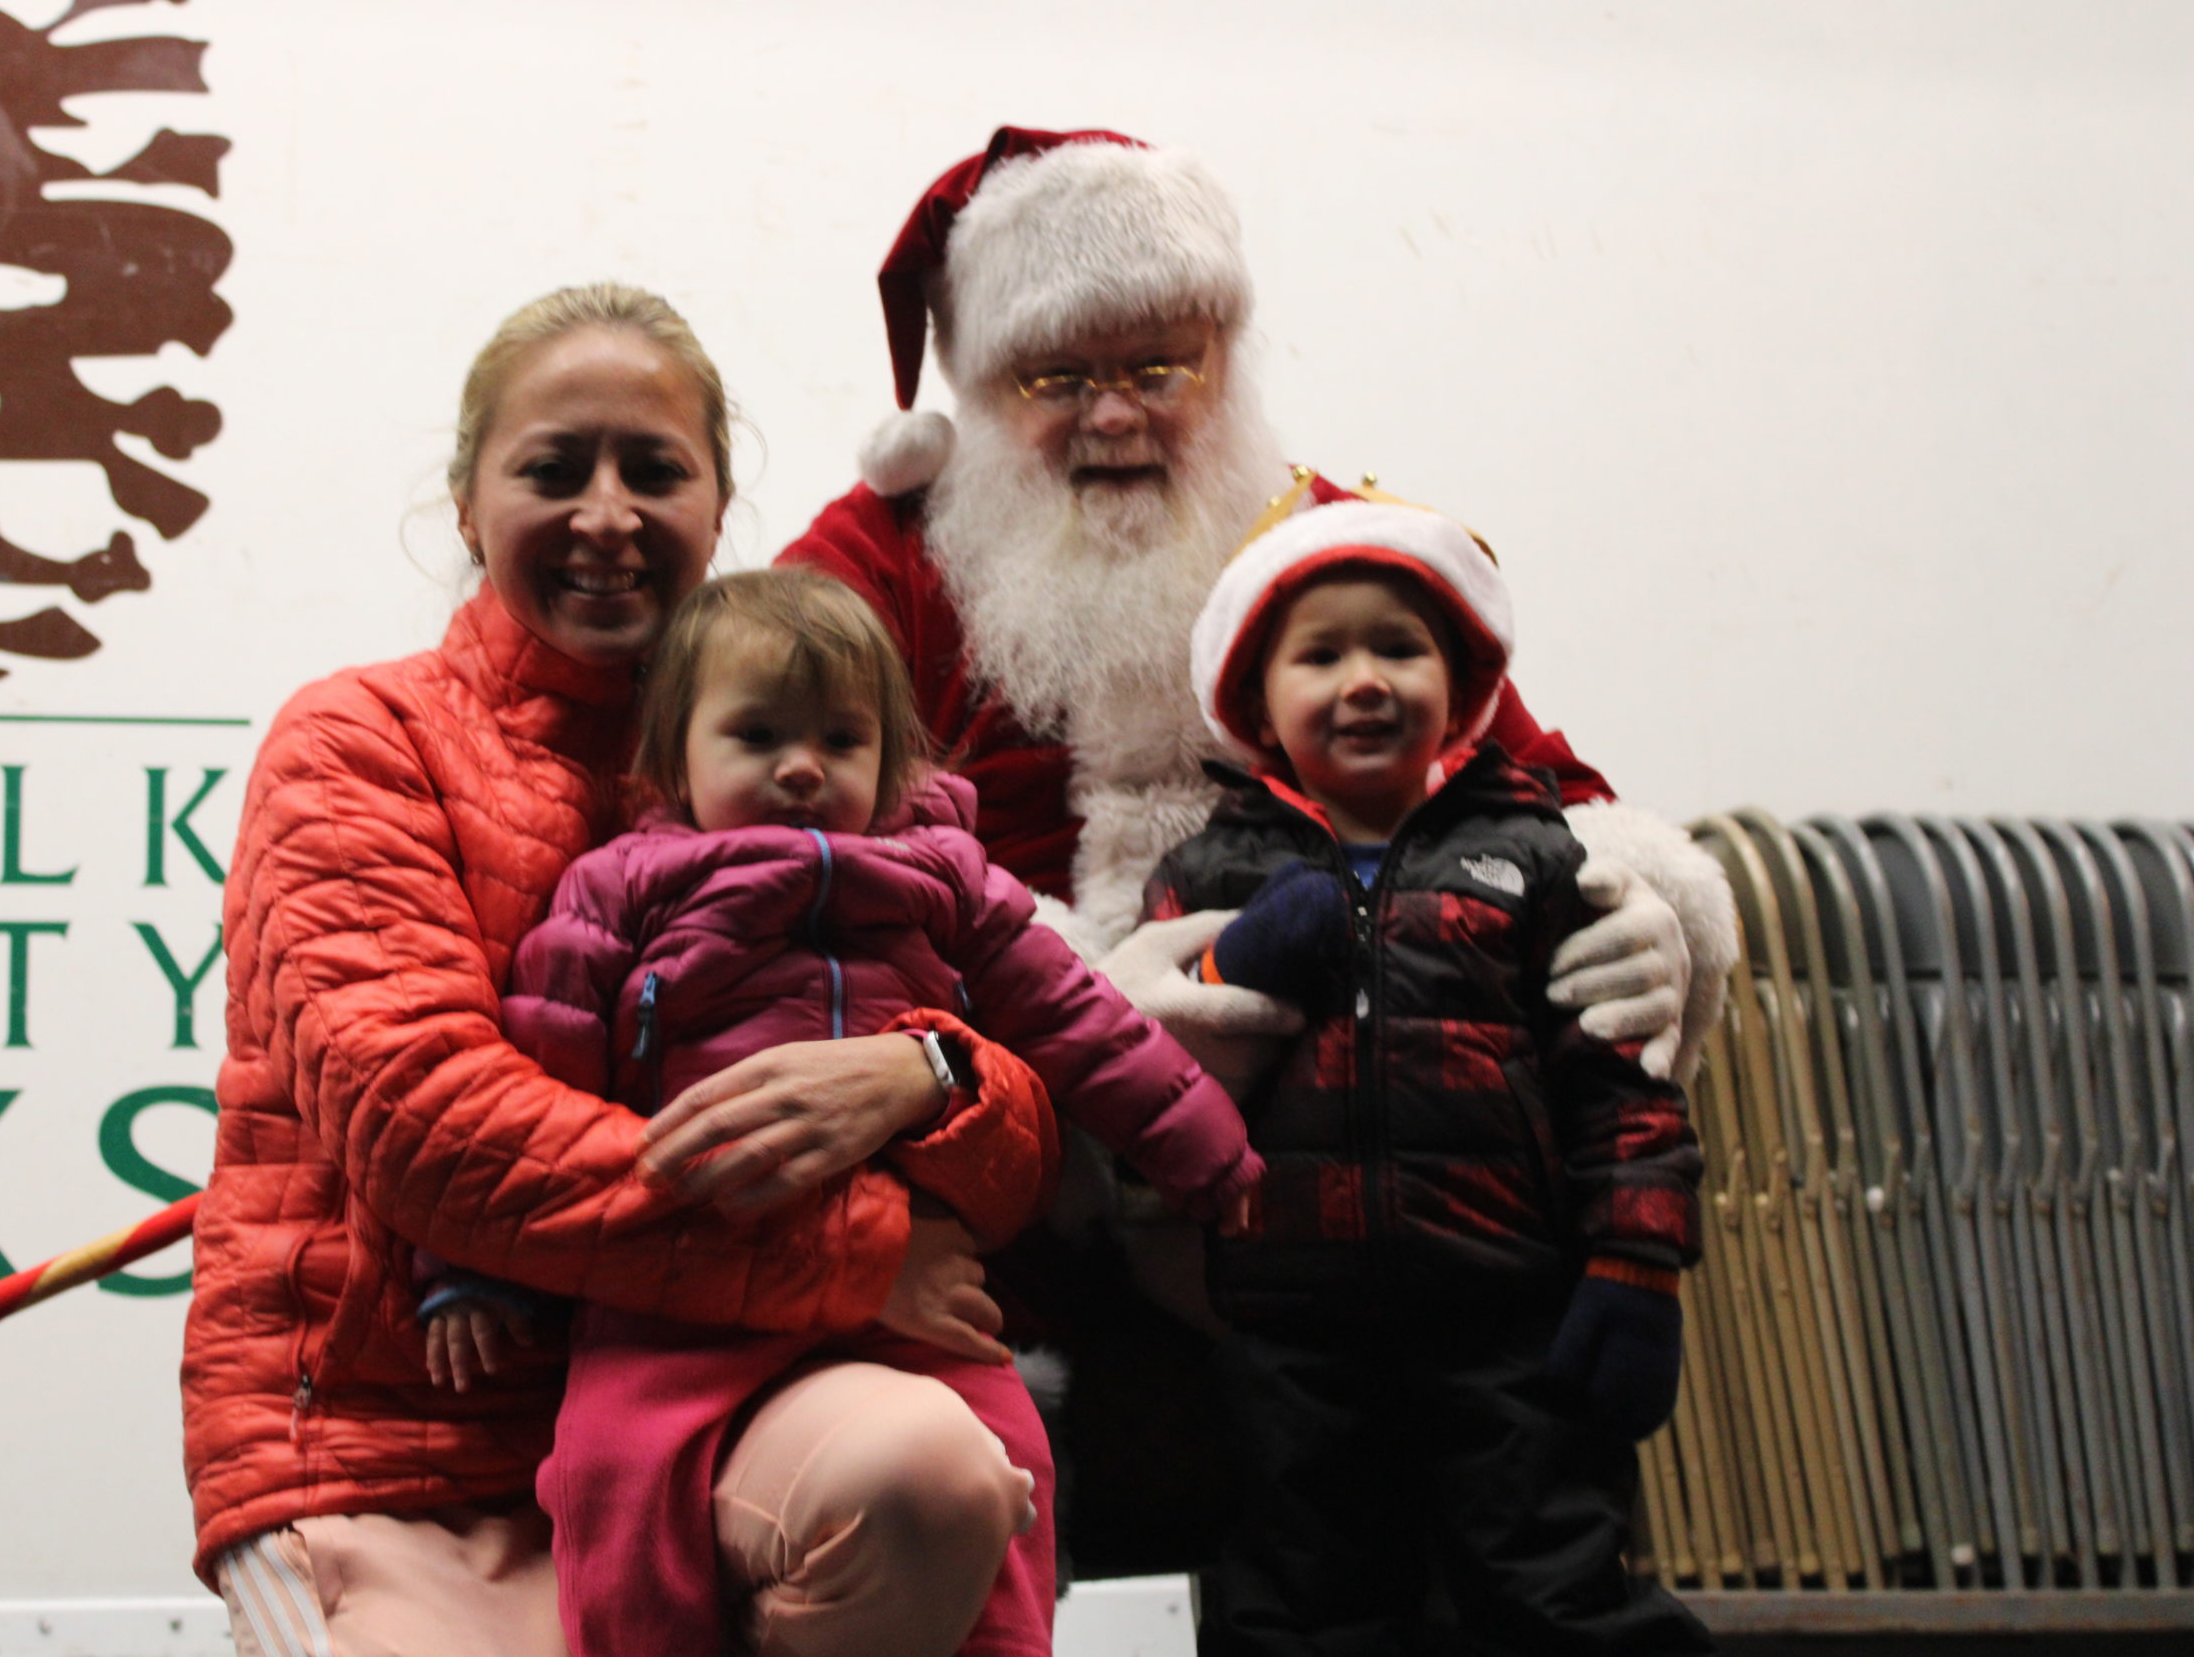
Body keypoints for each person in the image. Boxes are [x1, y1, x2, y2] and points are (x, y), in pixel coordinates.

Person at [778, 126, 1735, 1570]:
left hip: (1352, 1198)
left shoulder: (1336, 546)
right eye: (1055, 379)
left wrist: (1642, 905)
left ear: (1225, 360)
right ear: (976, 391)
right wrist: (1065, 999)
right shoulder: (879, 559)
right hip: (1002, 1173)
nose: (1115, 415)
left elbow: (1545, 791)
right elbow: (762, 846)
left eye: (1161, 364)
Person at [182, 283, 1075, 1657]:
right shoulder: (357, 739)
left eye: (654, 470)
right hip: (400, 1448)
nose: (608, 513)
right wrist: (849, 1255)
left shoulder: (816, 768)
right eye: (554, 468)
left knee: (931, 1471)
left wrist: (931, 1073)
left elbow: (1019, 1113)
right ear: (469, 503)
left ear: (719, 508)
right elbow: (433, 1130)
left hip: (729, 1402)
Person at [418, 568, 1264, 1657]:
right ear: (674, 756)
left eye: (841, 739)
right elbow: (536, 1075)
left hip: (908, 1293)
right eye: (758, 734)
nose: (803, 766)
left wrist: (1210, 1157)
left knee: (1005, 1462)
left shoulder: (944, 879)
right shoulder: (619, 888)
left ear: (890, 757)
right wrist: (467, 1271)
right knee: (615, 1483)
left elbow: (1080, 1021)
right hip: (674, 1298)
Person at [1152, 493, 1710, 1653]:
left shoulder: (1539, 856)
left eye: (1398, 647)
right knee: (1305, 1601)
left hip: (1505, 1312)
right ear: (1257, 700)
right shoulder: (1212, 868)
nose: (1364, 678)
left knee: (1554, 1583)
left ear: (1462, 692)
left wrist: (1636, 1259)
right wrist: (1226, 955)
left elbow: (1625, 1080)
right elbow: (1154, 1062)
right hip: (1288, 1324)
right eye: (1322, 654)